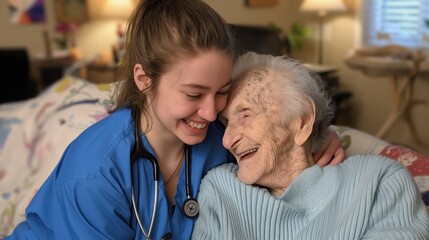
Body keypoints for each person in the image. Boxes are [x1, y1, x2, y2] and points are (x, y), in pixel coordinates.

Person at [5, 1, 344, 240]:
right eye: (194, 95)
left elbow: (281, 131)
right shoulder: (94, 174)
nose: (212, 113)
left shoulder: (219, 137)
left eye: (222, 91)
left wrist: (319, 135)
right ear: (143, 80)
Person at [192, 52, 429, 239]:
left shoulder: (379, 181)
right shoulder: (220, 190)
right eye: (225, 123)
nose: (227, 139)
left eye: (245, 115)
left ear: (302, 122)